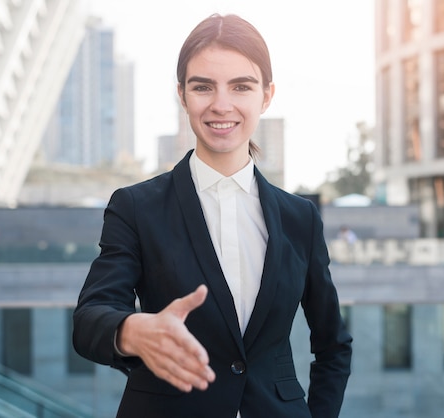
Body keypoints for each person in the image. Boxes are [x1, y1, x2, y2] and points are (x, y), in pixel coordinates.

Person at [73, 13, 352, 418]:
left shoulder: (300, 218)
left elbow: (332, 346)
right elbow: (89, 319)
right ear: (182, 95)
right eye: (203, 87)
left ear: (267, 95)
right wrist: (133, 331)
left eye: (241, 86)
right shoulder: (136, 207)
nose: (222, 105)